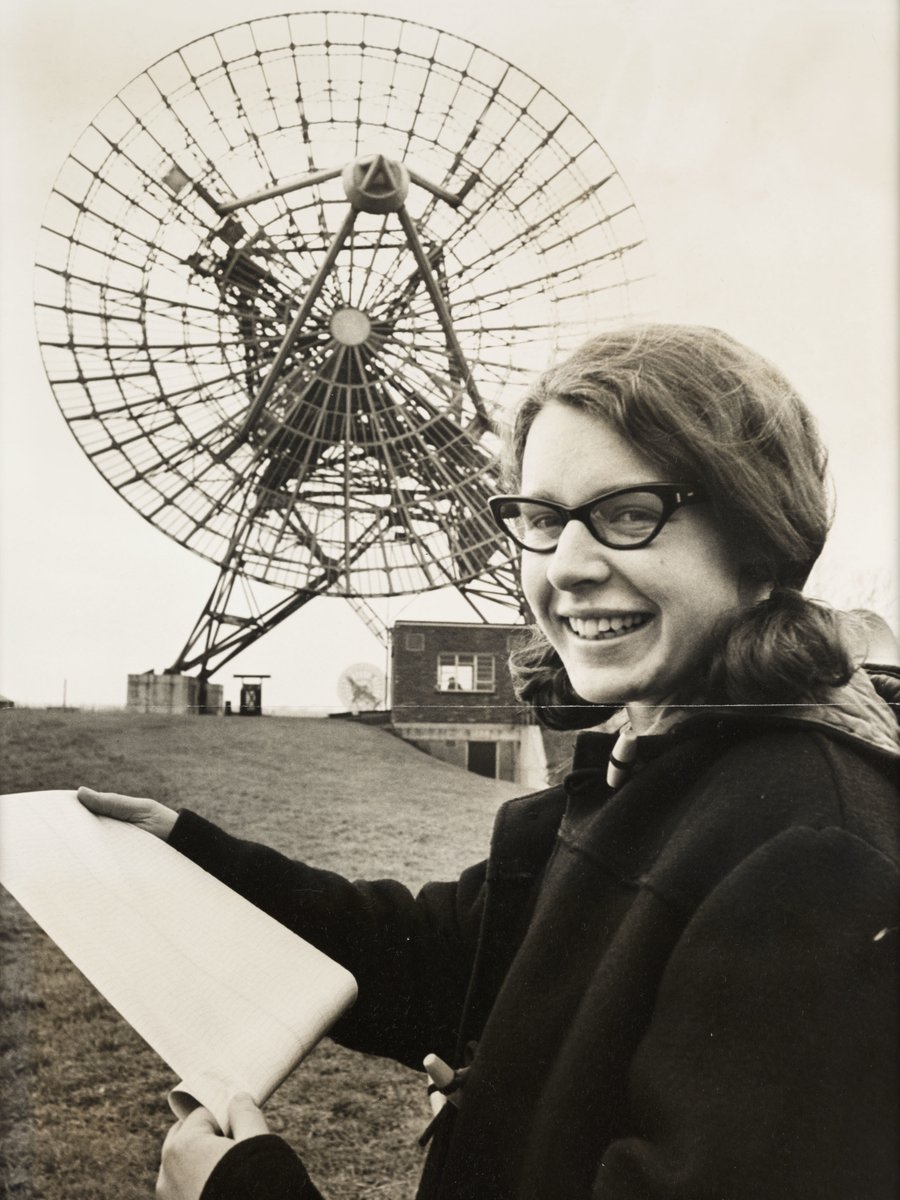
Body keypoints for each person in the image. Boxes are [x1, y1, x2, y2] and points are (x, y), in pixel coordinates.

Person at [79, 323, 899, 1200]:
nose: (570, 566)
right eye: (542, 519)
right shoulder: (643, 768)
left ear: (761, 541)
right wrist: (193, 854)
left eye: (629, 514)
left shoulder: (812, 853)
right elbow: (443, 958)